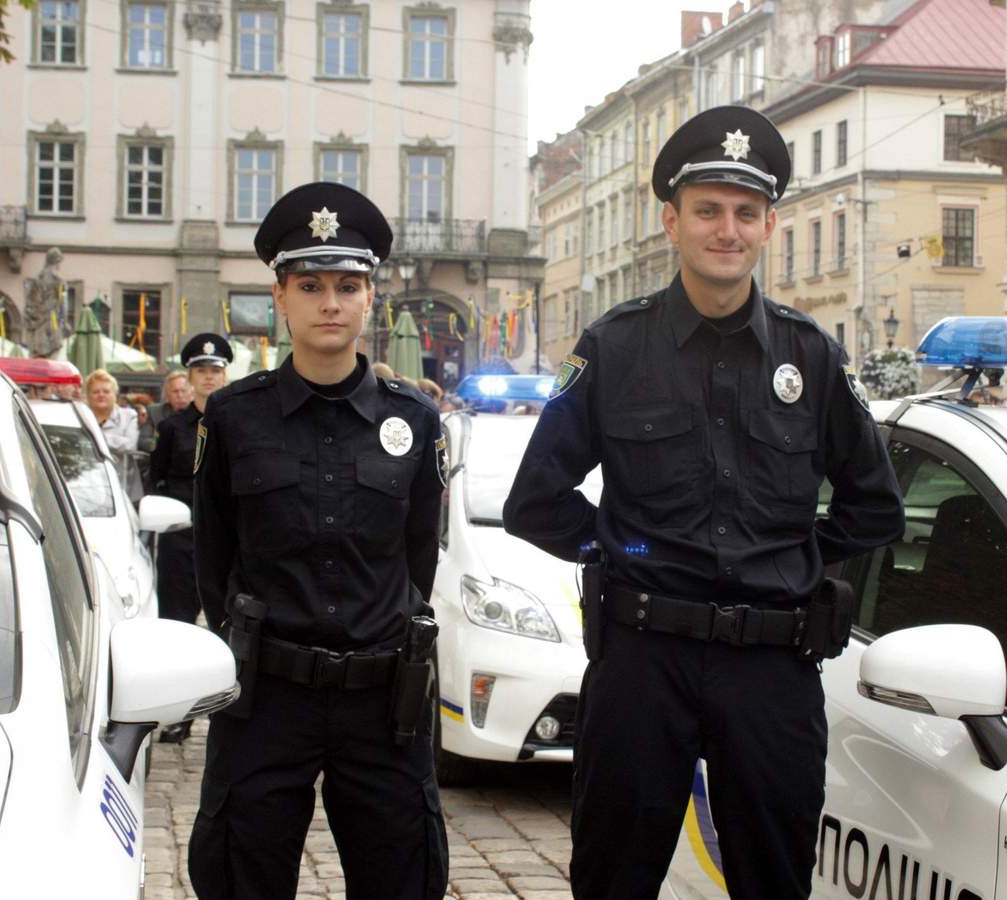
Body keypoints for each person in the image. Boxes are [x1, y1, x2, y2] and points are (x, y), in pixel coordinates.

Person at [502, 106, 905, 900]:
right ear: (671, 222)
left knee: (775, 878)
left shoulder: (810, 355)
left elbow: (875, 506)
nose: (728, 229)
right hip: (643, 660)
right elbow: (536, 500)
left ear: (768, 226)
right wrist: (620, 550)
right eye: (709, 210)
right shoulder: (616, 347)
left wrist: (794, 568)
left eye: (745, 213)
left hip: (771, 669)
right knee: (614, 877)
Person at [189, 182, 448, 900]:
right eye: (310, 285)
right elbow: (215, 559)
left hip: (381, 700)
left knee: (403, 875)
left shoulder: (415, 422)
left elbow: (419, 558)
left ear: (371, 298)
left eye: (347, 284)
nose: (330, 302)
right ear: (280, 296)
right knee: (241, 872)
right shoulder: (236, 419)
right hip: (267, 698)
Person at [149, 332, 232, 742]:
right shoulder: (172, 428)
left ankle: (223, 710)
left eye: (215, 370)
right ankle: (179, 713)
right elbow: (156, 480)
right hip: (181, 539)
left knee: (226, 628)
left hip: (225, 542)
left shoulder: (237, 422)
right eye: (201, 370)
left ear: (225, 374)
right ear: (190, 375)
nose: (208, 377)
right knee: (178, 628)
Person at [85, 368, 143, 503]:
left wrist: (95, 437)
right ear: (88, 395)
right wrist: (115, 441)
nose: (101, 395)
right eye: (95, 392)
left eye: (106, 391)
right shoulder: (82, 416)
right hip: (87, 486)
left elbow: (130, 445)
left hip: (123, 488)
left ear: (115, 395)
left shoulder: (129, 416)